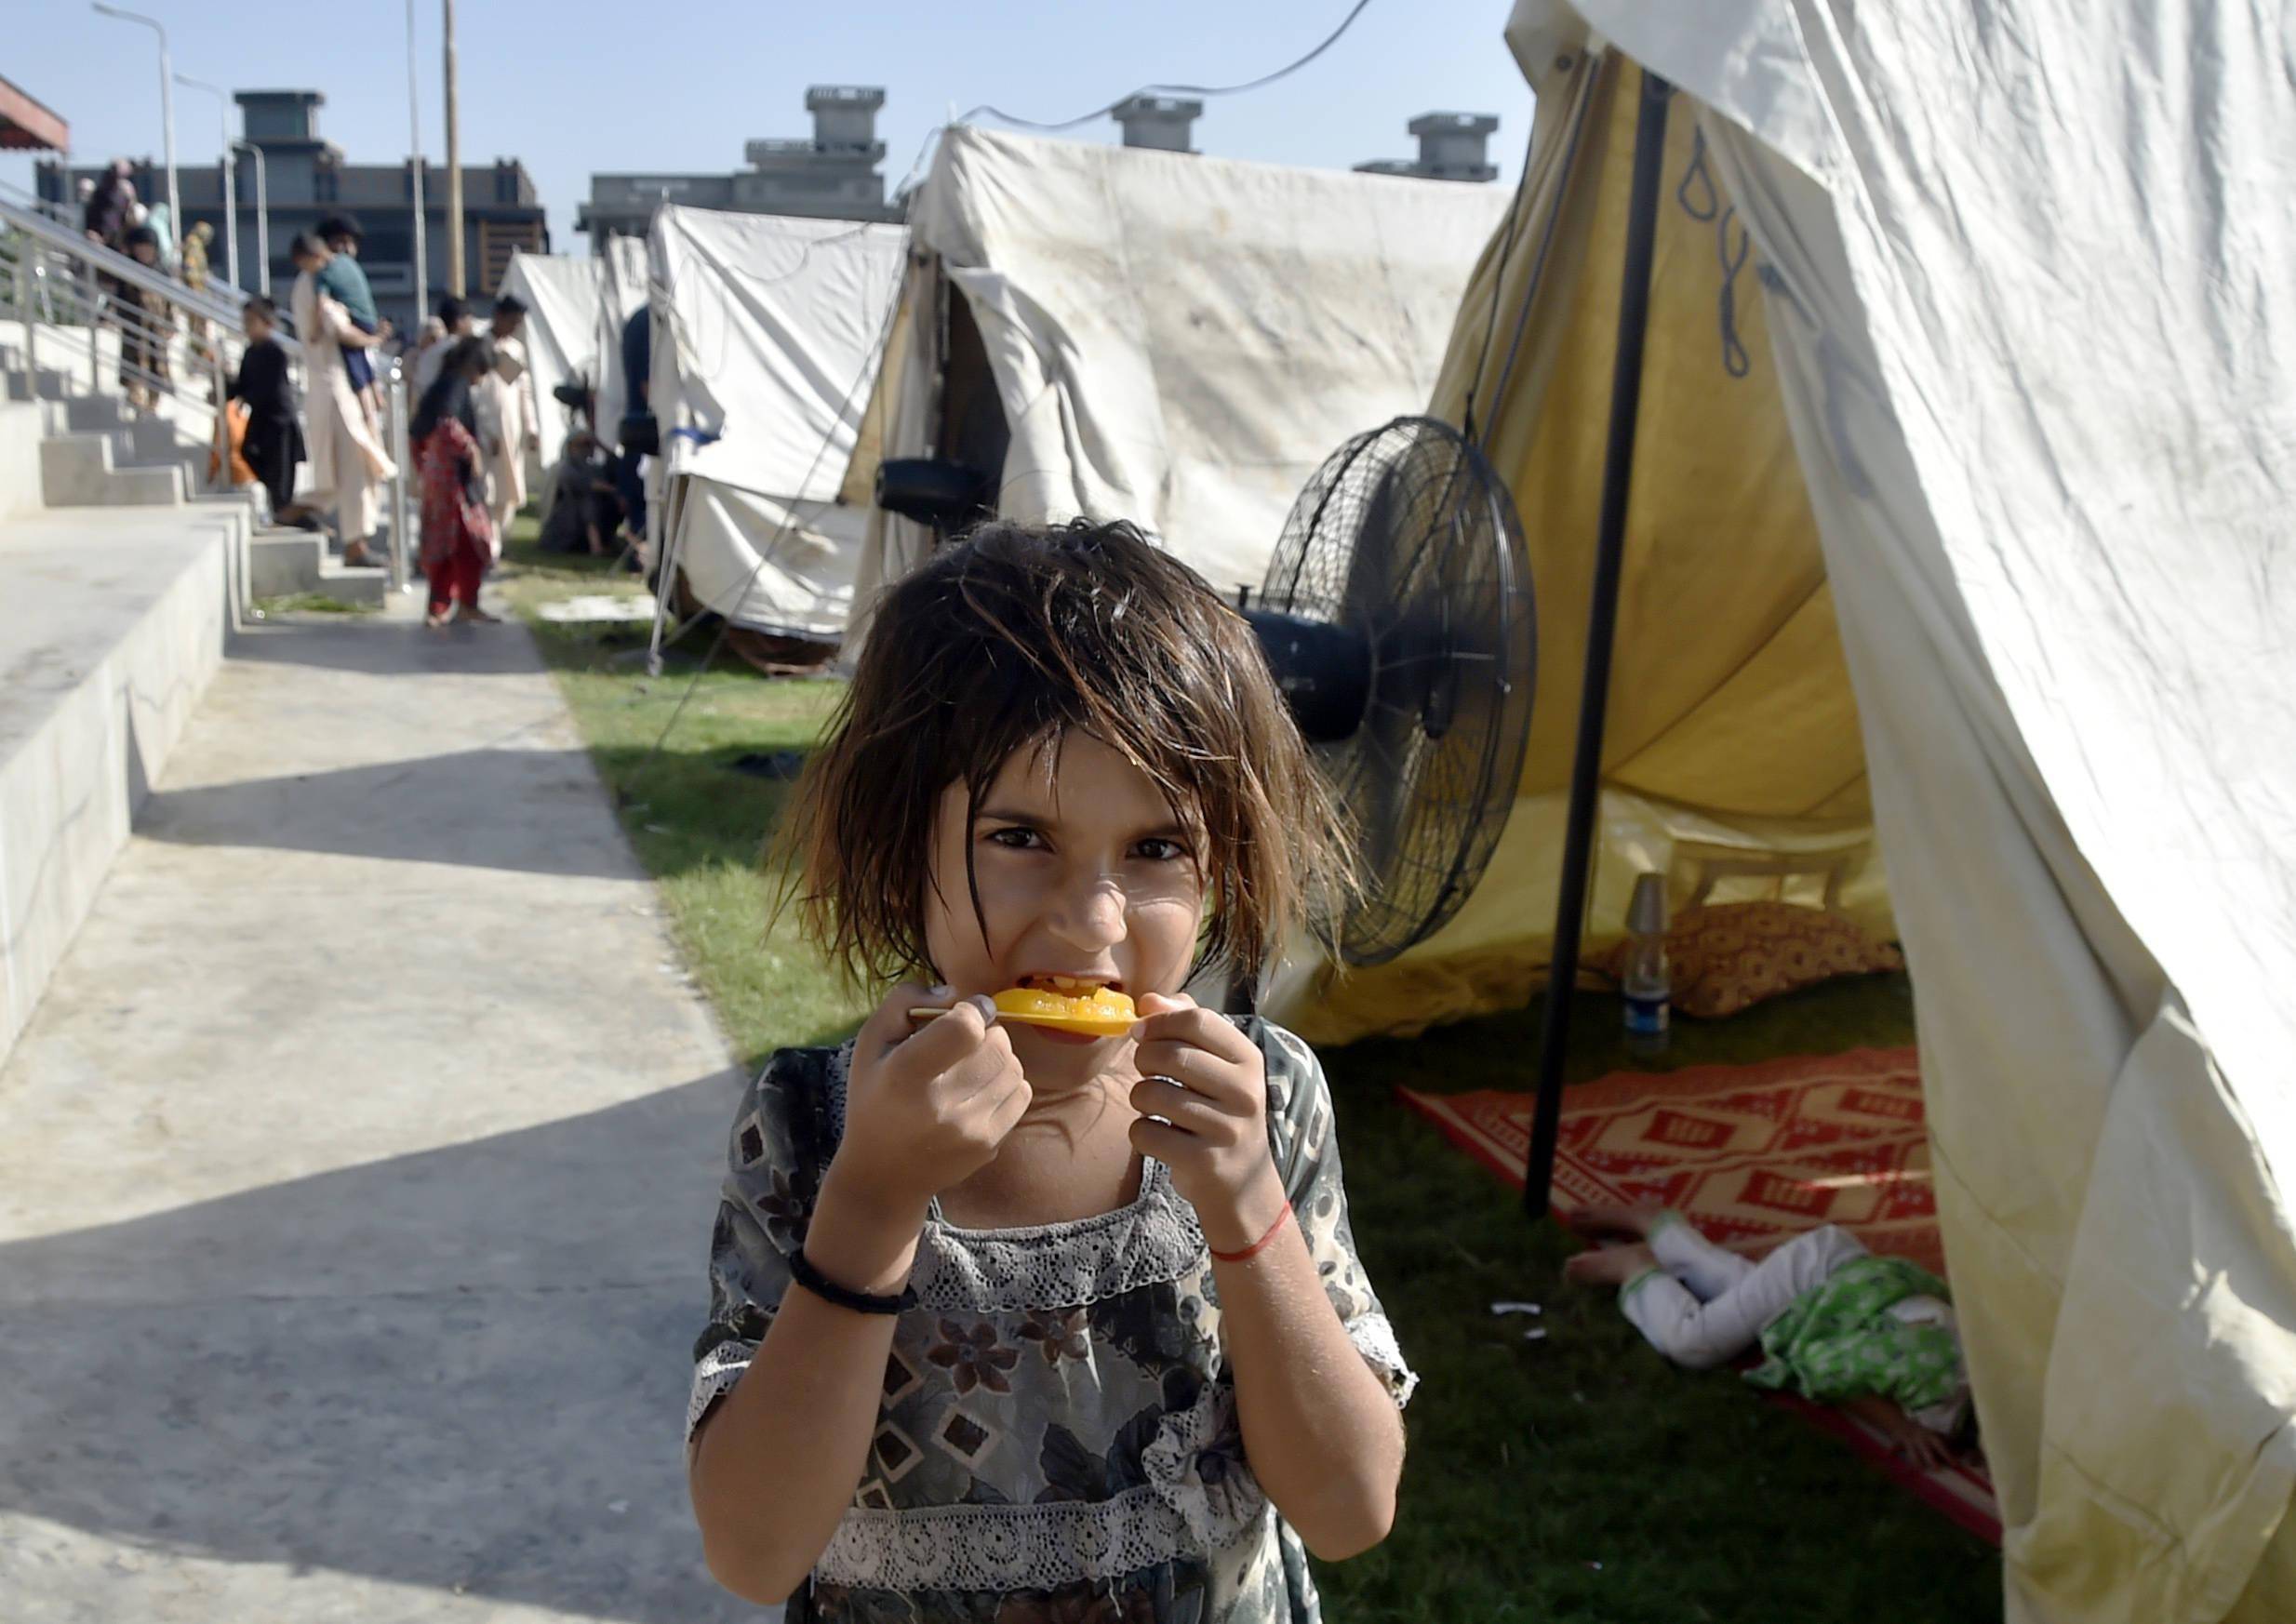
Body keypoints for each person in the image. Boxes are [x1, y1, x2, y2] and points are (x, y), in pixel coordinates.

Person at [686, 520, 1409, 1621]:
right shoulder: (810, 1125)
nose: (1091, 923)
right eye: (1020, 837)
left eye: (1157, 848)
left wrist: (1248, 1209)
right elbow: (752, 1550)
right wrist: (872, 1203)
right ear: (902, 849)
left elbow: (1350, 1508)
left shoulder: (1265, 1099)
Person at [1565, 1204, 1974, 1471]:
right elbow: (1822, 1367)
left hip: (1840, 1280)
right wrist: (1900, 1428)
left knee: (1735, 1291)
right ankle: (1634, 1267)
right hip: (1814, 1281)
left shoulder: (1979, 1375)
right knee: (1694, 1343)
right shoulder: (1936, 1372)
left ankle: (1656, 1225)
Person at [288, 232, 397, 569]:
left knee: (347, 471)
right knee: (355, 467)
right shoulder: (313, 284)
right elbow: (338, 328)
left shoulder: (313, 282)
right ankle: (347, 541)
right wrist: (374, 338)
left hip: (334, 388)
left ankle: (304, 513)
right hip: (334, 389)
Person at [410, 337, 499, 628]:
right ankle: (449, 605)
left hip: (438, 479)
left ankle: (453, 605)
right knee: (466, 544)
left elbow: (417, 433)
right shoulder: (455, 385)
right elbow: (447, 425)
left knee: (451, 545)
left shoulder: (441, 384)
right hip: (453, 483)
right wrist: (472, 451)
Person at [227, 297, 308, 525]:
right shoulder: (251, 351)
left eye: (252, 322)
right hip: (262, 420)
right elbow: (243, 383)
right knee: (248, 452)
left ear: (267, 323)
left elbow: (268, 387)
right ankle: (282, 509)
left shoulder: (275, 353)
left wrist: (247, 396)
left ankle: (291, 516)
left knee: (281, 477)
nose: (247, 327)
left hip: (279, 422)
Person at [475, 293, 539, 540]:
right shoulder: (480, 345)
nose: (514, 327)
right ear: (498, 316)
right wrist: (484, 431)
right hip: (486, 425)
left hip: (511, 426)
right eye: (511, 320)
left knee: (509, 485)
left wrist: (532, 427)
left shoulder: (515, 348)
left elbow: (525, 389)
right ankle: (487, 541)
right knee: (488, 487)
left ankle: (500, 539)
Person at [309, 215, 390, 406]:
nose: (347, 249)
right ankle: (376, 397)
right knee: (363, 363)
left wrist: (316, 330)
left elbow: (322, 303)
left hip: (354, 328)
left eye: (351, 242)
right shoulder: (340, 268)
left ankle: (370, 403)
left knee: (358, 371)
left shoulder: (331, 270)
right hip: (362, 326)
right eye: (341, 242)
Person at [536, 428, 621, 555]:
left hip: (582, 525)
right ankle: (596, 546)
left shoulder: (593, 468)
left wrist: (600, 445)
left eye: (588, 445)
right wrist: (614, 490)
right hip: (565, 524)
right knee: (586, 500)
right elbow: (586, 484)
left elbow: (617, 463)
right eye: (581, 445)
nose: (585, 449)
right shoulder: (564, 468)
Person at [117, 223, 171, 412]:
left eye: (147, 247)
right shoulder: (127, 269)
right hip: (134, 328)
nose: (144, 252)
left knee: (157, 365)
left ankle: (153, 402)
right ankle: (136, 398)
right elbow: (119, 298)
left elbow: (169, 302)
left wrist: (170, 324)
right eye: (140, 247)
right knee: (135, 364)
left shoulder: (161, 271)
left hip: (156, 329)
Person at [412, 296, 473, 400]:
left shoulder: (429, 352)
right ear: (459, 321)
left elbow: (419, 385)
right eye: (469, 319)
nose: (471, 324)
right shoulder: (462, 350)